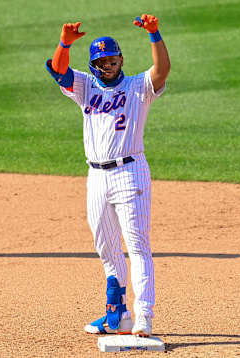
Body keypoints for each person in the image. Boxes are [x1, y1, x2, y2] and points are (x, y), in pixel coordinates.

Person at [45, 14, 170, 337]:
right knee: (106, 247)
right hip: (97, 177)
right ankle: (119, 314)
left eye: (112, 59)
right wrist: (64, 43)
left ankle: (144, 316)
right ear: (95, 63)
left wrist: (154, 34)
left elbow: (162, 71)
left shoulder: (138, 87)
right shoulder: (85, 86)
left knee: (138, 246)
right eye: (102, 61)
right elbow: (59, 71)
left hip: (131, 173)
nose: (108, 65)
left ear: (121, 60)